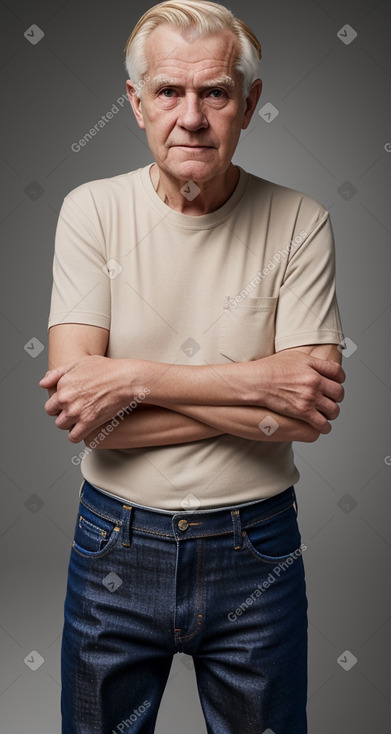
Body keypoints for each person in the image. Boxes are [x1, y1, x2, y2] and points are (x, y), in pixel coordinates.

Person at [39, 1, 346, 732]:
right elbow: (91, 421)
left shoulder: (300, 221)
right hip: (114, 538)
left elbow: (305, 414)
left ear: (249, 103)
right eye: (169, 92)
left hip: (257, 547)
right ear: (136, 102)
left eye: (214, 92)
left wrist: (134, 380)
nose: (192, 116)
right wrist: (255, 383)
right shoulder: (92, 212)